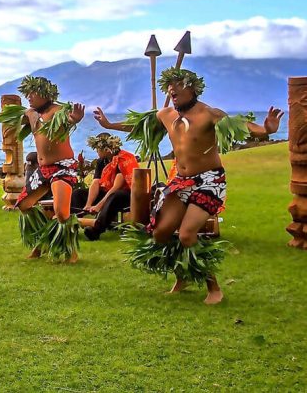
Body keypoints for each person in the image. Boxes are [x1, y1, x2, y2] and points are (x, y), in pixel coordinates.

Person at [94, 67, 283, 304]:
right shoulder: (165, 115)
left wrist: (266, 130)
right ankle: (182, 275)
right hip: (180, 182)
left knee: (186, 234)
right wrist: (110, 126)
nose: (172, 90)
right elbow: (140, 126)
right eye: (169, 86)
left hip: (209, 181)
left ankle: (214, 288)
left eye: (178, 85)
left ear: (193, 88)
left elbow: (242, 127)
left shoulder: (209, 114)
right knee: (161, 232)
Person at [0, 76, 86, 262]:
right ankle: (42, 241)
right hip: (43, 169)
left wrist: (75, 118)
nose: (29, 97)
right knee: (24, 205)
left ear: (45, 93)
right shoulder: (30, 113)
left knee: (61, 212)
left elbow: (68, 120)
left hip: (62, 167)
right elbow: (7, 119)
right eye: (27, 94)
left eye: (32, 93)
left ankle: (71, 251)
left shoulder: (58, 110)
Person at [71, 133, 138, 240]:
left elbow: (116, 187)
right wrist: (88, 204)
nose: (96, 151)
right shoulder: (102, 161)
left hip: (125, 194)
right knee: (78, 194)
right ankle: (71, 226)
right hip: (107, 191)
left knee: (115, 196)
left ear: (107, 149)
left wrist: (98, 206)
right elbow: (96, 182)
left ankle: (97, 229)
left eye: (98, 149)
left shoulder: (122, 159)